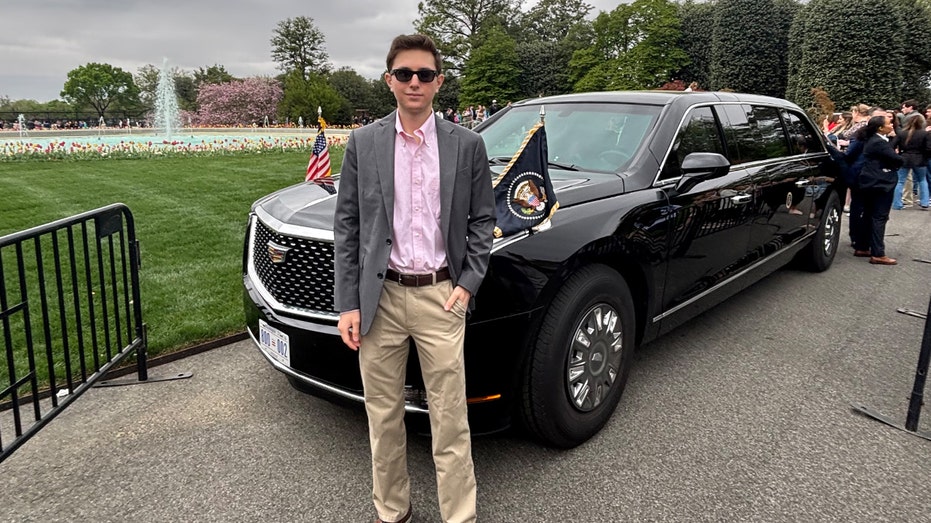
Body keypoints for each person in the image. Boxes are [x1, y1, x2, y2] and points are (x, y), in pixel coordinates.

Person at [333, 34, 496, 523]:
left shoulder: (467, 144)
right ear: (389, 80)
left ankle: (459, 516)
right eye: (404, 74)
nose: (414, 82)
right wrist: (348, 303)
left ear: (439, 81)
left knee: (450, 420)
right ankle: (392, 511)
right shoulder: (364, 142)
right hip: (380, 297)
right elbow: (348, 225)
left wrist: (467, 284)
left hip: (442, 296)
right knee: (382, 417)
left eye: (425, 74)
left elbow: (483, 220)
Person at [851, 114, 902, 265]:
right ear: (880, 128)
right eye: (889, 123)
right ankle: (878, 253)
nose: (892, 125)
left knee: (868, 214)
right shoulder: (879, 142)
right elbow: (897, 158)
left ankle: (862, 246)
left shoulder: (871, 139)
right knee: (880, 216)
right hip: (881, 182)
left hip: (869, 180)